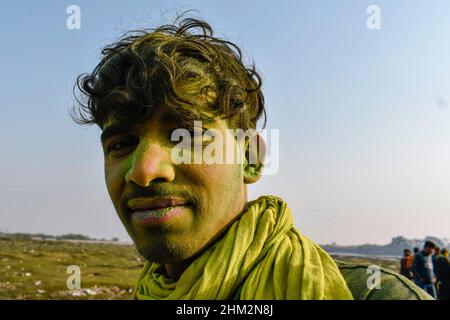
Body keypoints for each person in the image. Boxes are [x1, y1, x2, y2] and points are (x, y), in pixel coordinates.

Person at [71, 16, 432, 300]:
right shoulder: (150, 292)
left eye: (188, 135)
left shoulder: (373, 295)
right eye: (122, 143)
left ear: (251, 157)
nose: (144, 171)